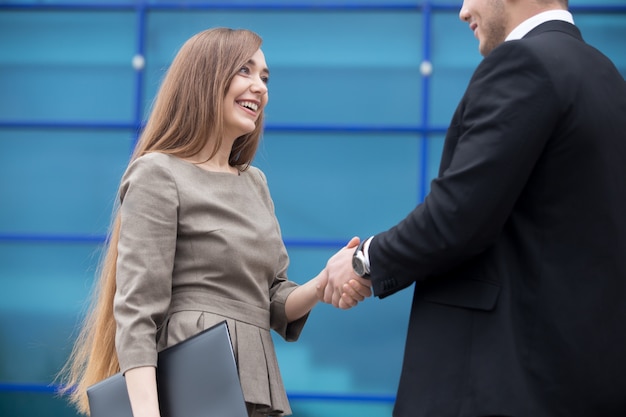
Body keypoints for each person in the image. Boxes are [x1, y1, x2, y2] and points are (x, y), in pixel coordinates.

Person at [325, 0, 626, 416]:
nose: (463, 11)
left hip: (497, 383)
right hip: (572, 379)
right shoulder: (607, 76)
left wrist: (363, 261)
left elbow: (457, 215)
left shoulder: (525, 62)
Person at [58, 27, 369, 417]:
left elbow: (272, 298)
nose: (260, 87)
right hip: (194, 387)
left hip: (256, 389)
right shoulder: (158, 174)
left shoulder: (255, 183)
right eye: (246, 71)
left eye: (265, 78)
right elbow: (137, 312)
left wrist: (321, 283)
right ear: (205, 78)